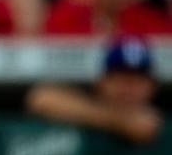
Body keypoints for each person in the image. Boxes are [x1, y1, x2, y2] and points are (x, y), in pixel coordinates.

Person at [26, 36, 162, 144]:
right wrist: (119, 121)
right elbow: (41, 99)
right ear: (101, 82)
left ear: (152, 86)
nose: (129, 88)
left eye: (138, 80)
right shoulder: (89, 110)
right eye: (121, 78)